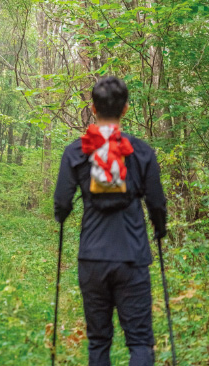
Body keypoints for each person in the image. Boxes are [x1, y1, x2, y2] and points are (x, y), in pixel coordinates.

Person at [54, 76, 167, 366]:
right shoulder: (141, 152)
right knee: (140, 342)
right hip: (132, 256)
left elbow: (62, 205)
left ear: (93, 108)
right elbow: (156, 203)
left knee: (99, 342)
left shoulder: (76, 151)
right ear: (126, 109)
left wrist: (62, 215)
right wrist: (160, 229)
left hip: (92, 258)